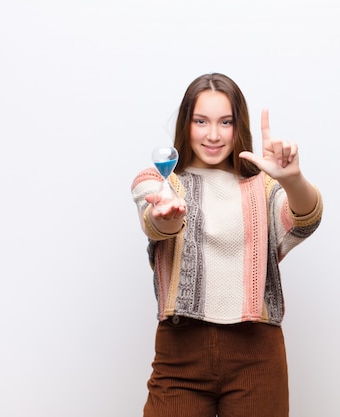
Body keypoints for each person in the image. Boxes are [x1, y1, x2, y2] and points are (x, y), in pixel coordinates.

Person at [130, 73, 323, 417]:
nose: (214, 135)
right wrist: (168, 216)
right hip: (180, 352)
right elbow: (156, 221)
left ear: (239, 126)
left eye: (225, 122)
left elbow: (304, 219)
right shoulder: (160, 181)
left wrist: (292, 179)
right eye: (201, 121)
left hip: (256, 354)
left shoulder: (262, 187)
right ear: (186, 124)